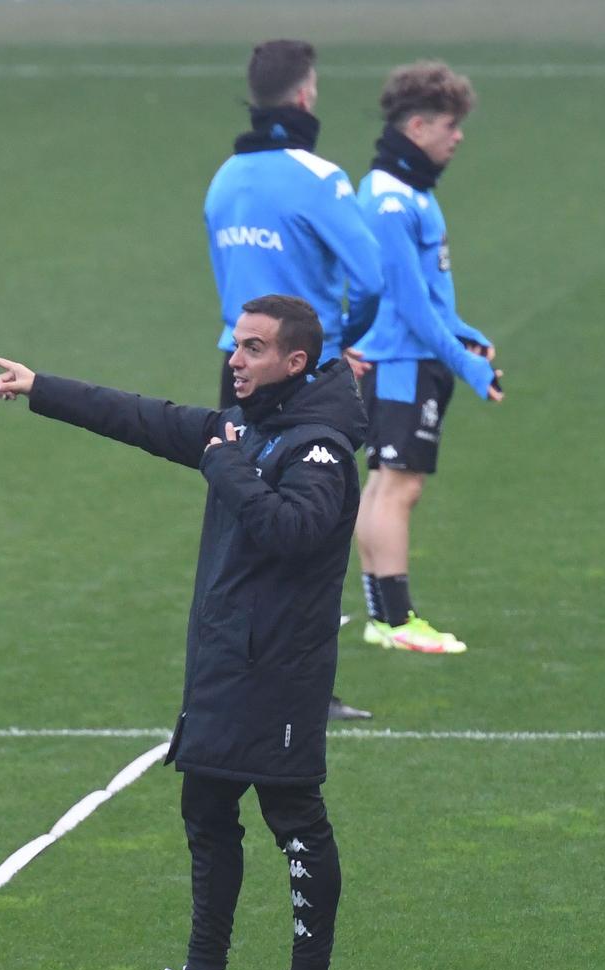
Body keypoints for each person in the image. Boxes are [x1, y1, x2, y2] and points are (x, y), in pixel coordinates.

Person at [0, 294, 364, 970]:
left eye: (253, 349)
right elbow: (144, 417)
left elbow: (294, 530)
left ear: (295, 361)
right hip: (225, 661)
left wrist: (225, 467)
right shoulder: (246, 429)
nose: (235, 360)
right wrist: (42, 387)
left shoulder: (318, 448)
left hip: (278, 668)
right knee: (208, 807)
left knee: (294, 815)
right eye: (236, 346)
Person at [204, 39, 382, 720]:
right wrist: (340, 339)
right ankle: (308, 690)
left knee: (242, 525)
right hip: (309, 377)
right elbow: (369, 280)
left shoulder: (224, 179)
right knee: (315, 532)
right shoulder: (322, 179)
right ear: (306, 95)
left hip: (236, 368)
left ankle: (236, 679)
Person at [353, 60, 503, 655]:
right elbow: (410, 308)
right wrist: (470, 367)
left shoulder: (406, 190)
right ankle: (392, 620)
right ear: (417, 126)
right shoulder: (391, 202)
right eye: (449, 124)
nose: (457, 136)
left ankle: (382, 615)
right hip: (400, 360)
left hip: (411, 356)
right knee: (396, 486)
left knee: (386, 484)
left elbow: (430, 296)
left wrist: (464, 334)